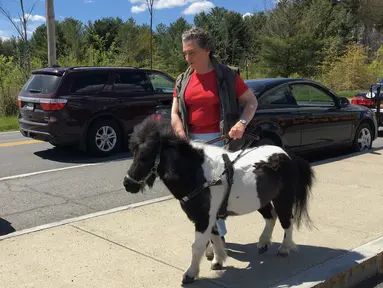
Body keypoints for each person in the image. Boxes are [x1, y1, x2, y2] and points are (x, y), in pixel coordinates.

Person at [171, 27, 258, 260]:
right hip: (192, 145)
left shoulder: (227, 76)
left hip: (220, 143)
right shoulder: (182, 80)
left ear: (207, 50)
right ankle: (214, 236)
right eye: (185, 54)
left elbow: (251, 102)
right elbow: (175, 113)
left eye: (192, 53)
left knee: (215, 195)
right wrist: (180, 135)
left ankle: (213, 237)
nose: (188, 58)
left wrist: (241, 124)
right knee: (196, 196)